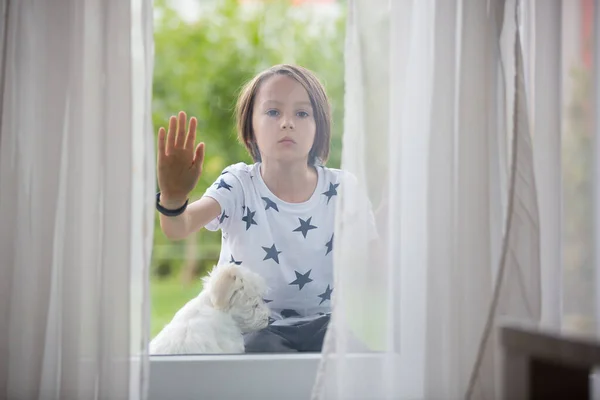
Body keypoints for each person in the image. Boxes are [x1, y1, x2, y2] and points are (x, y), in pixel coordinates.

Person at [155, 64, 375, 352]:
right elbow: (177, 227)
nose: (287, 122)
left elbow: (375, 264)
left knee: (359, 363)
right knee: (263, 361)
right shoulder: (238, 184)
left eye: (302, 113)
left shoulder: (344, 188)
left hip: (325, 325)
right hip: (254, 329)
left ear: (319, 127)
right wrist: (172, 199)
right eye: (273, 112)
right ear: (250, 129)